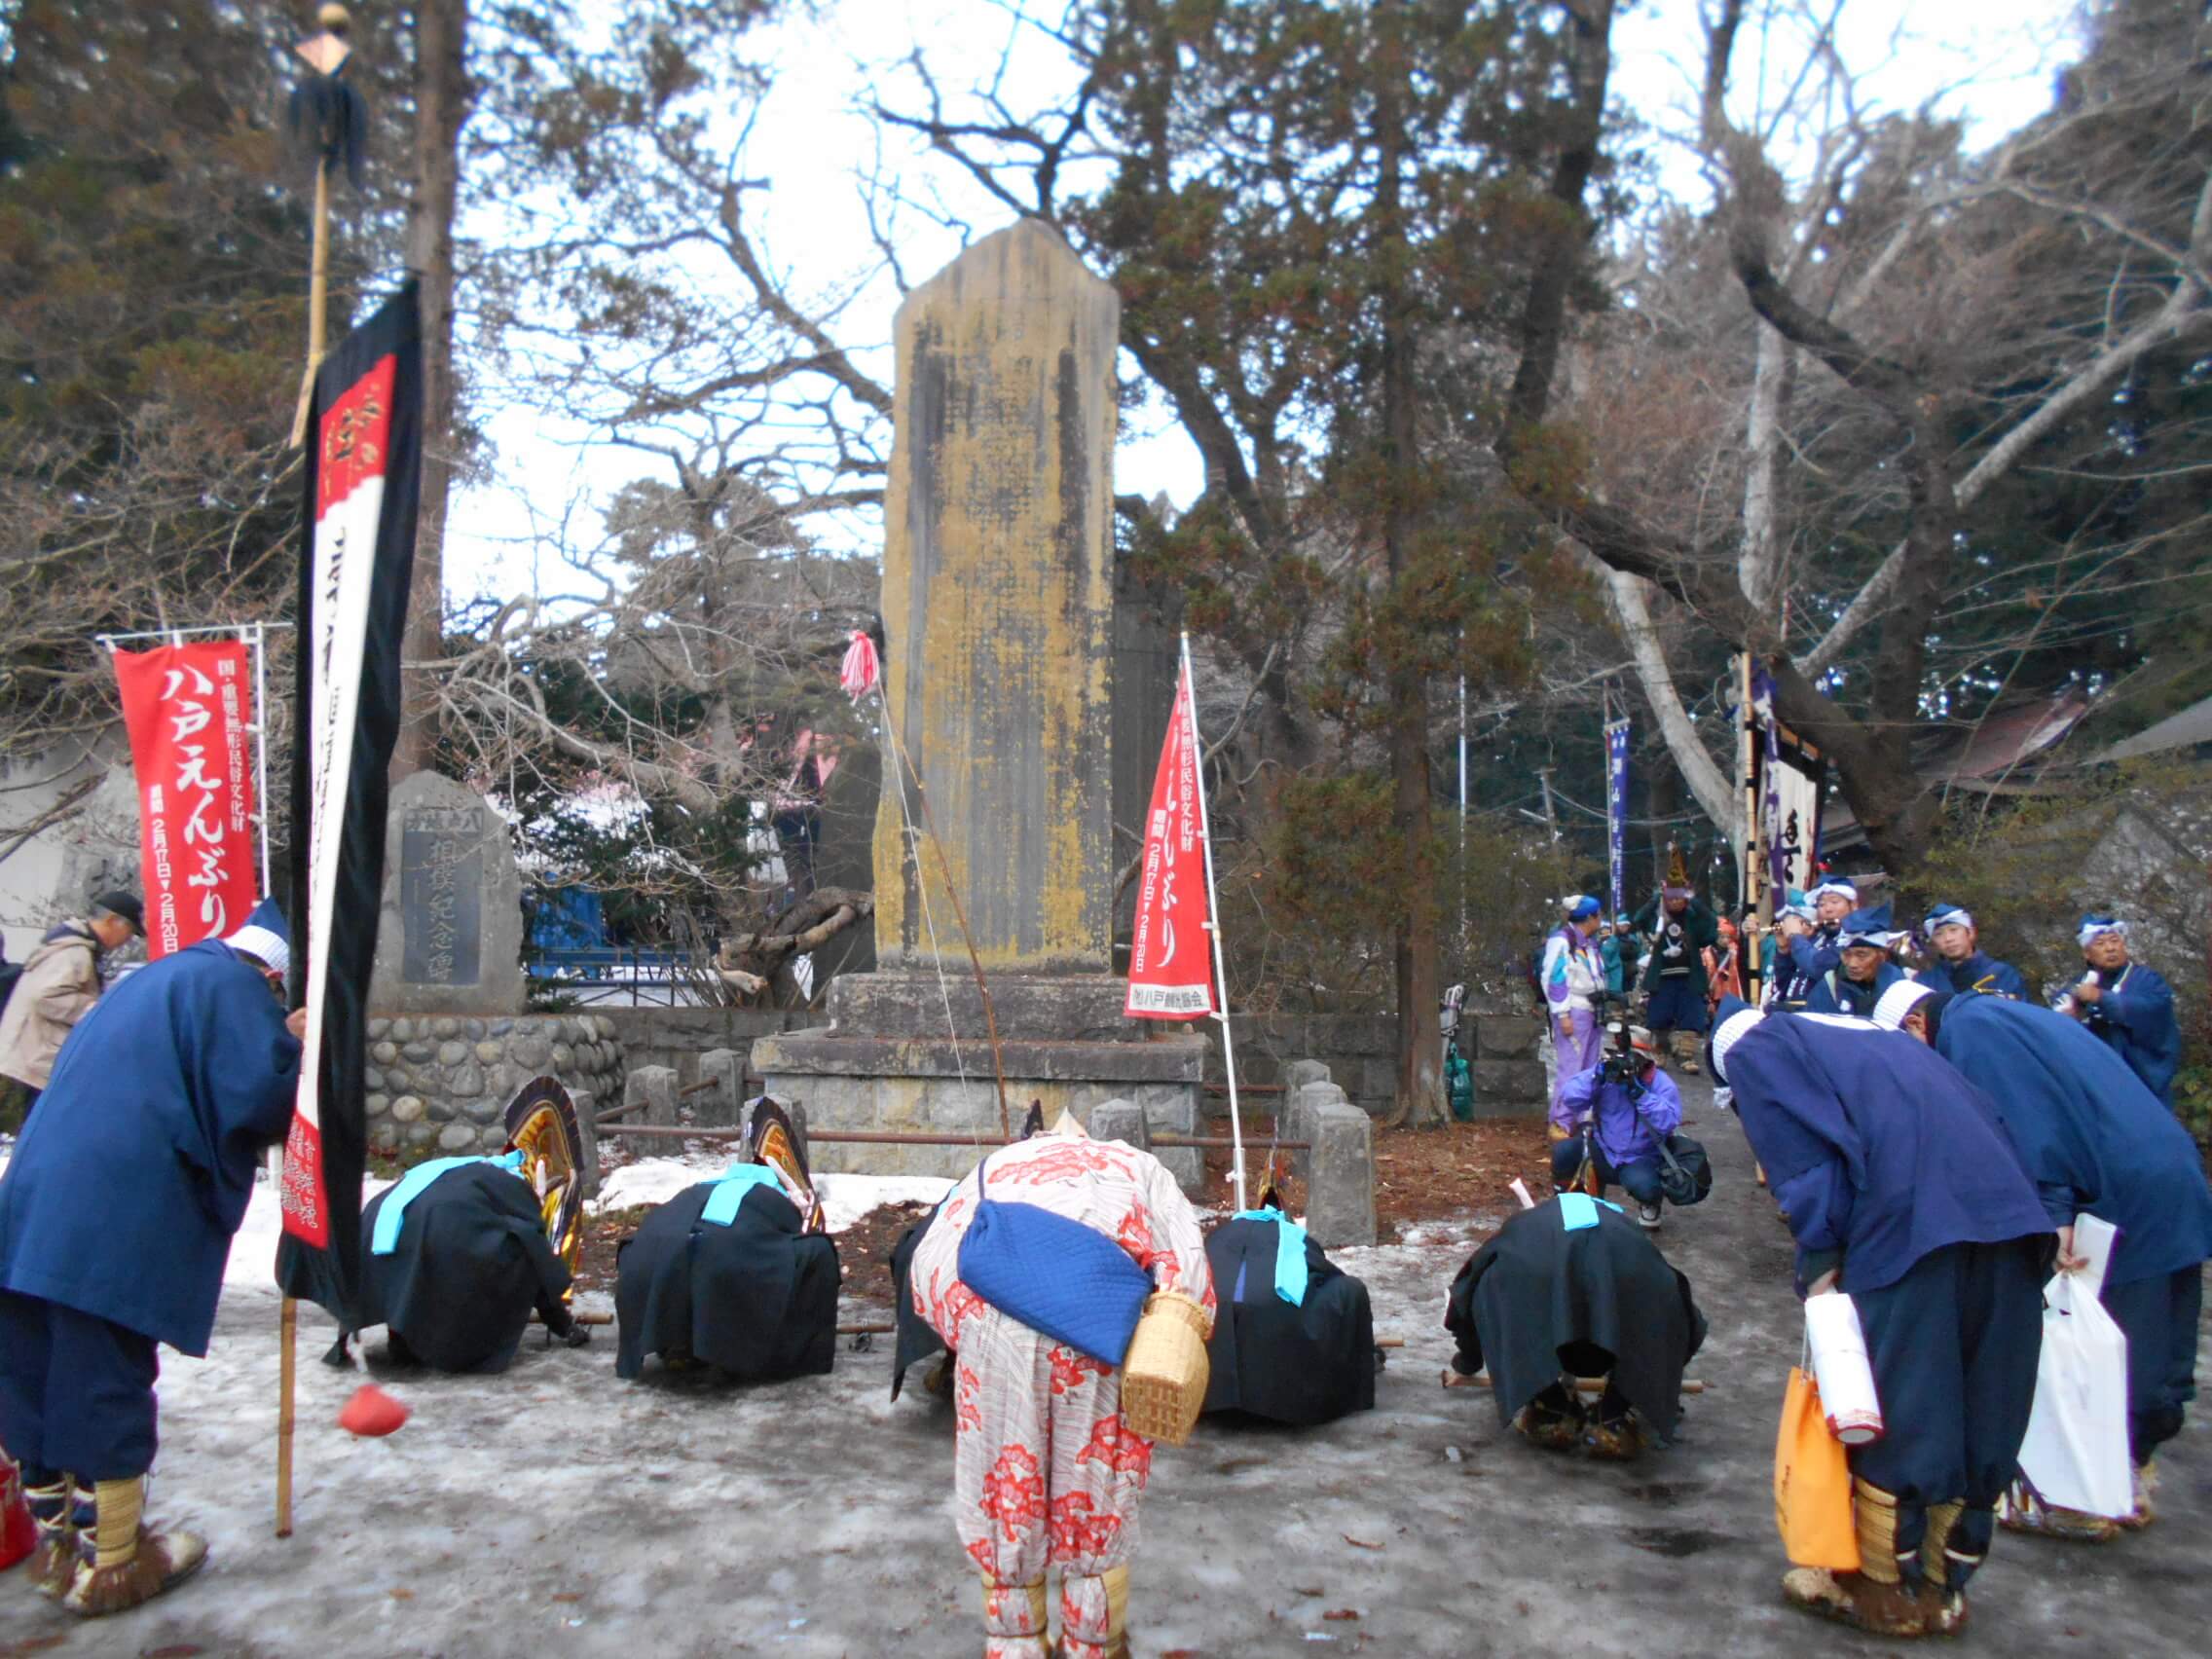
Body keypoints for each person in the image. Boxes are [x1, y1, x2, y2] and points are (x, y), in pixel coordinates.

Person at [1708, 999, 2050, 1638]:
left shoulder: (1755, 1048)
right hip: (2011, 1222)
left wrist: (1820, 1258)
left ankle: (1883, 1591)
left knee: (1903, 1410)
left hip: (1907, 1230)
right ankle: (1942, 1587)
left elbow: (1807, 1163)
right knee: (1981, 1408)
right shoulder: (1884, 1041)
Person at [0, 899, 301, 1615]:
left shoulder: (150, 979)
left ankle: (59, 1549)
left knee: (34, 1369)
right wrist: (293, 1048)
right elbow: (257, 1097)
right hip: (114, 1206)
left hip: (34, 1198)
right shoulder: (231, 985)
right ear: (272, 975)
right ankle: (113, 1562)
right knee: (102, 1372)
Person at [1876, 982, 2212, 1534]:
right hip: (2168, 1172)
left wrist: (2054, 1214)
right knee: (2162, 1335)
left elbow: (2030, 1119)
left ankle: (2092, 1491)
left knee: (2109, 1340)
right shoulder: (2014, 1016)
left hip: (2118, 1189)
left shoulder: (1971, 1030)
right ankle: (2133, 1469)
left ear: (1916, 1025)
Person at [909, 1114, 1212, 1659]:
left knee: (1007, 1493)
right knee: (1095, 1496)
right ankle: (1094, 1646)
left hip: (993, 1328)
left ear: (1037, 1141)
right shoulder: (1137, 1166)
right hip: (1099, 1337)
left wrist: (968, 1334)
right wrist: (1169, 1327)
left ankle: (1016, 1644)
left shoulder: (994, 1167)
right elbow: (1184, 1268)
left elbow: (930, 1264)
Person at [1446, 1191, 1705, 1459]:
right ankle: (1612, 1417)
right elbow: (1680, 1313)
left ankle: (1551, 1408)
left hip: (1539, 1310)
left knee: (1502, 1287)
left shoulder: (1522, 1227)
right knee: (1650, 1303)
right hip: (1618, 1306)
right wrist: (1660, 1382)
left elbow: (1467, 1289)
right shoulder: (1627, 1231)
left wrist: (1468, 1359)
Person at [614, 1144, 840, 1383]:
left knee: (693, 1252)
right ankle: (781, 1354)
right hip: (725, 1260)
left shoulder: (696, 1190)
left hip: (645, 1259)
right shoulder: (772, 1196)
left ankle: (676, 1341)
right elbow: (788, 1234)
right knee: (818, 1249)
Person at [351, 1155, 588, 1373]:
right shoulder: (511, 1186)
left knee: (410, 1264)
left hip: (375, 1227)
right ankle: (435, 1343)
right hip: (441, 1227)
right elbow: (534, 1248)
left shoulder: (449, 1169)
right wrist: (562, 1322)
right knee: (524, 1244)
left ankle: (401, 1335)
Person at [1200, 1193, 1375, 1426]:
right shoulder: (1293, 1236)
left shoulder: (1219, 1234)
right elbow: (1328, 1273)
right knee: (1351, 1289)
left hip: (1213, 1319)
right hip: (1276, 1328)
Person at [0, 891, 143, 1127]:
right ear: (112, 921)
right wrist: (95, 1008)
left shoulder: (75, 944)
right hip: (36, 1058)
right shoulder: (74, 951)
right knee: (39, 1128)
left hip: (35, 1054)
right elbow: (45, 996)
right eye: (130, 931)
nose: (127, 940)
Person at [1548, 1027, 1683, 1231]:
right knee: (1564, 1152)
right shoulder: (1605, 1076)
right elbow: (1571, 1098)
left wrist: (1640, 1094)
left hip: (1641, 1156)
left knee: (1645, 1188)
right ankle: (1568, 1202)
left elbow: (1668, 1122)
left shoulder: (1660, 1083)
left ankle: (1650, 1203)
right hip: (1603, 1150)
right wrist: (1596, 1076)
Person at [2052, 915, 2180, 1108]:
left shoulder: (2147, 980)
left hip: (2142, 1079)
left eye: (2114, 941)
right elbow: (2055, 1024)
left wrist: (2102, 998)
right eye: (2100, 944)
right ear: (2087, 954)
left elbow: (2151, 1010)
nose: (2110, 948)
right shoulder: (2077, 987)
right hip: (2099, 1083)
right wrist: (2068, 1018)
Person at [1632, 883, 1717, 1071]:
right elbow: (1639, 919)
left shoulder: (1693, 920)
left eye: (1679, 897)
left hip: (1690, 978)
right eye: (1671, 898)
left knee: (1691, 1018)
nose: (1675, 902)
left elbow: (1711, 923)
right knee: (1659, 1019)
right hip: (1662, 979)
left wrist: (1694, 899)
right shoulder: (1657, 920)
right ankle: (1661, 1052)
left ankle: (1686, 1056)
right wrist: (1657, 897)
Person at [1540, 896, 1606, 1117]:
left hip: (1592, 1011)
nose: (1601, 919)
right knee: (1571, 1069)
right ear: (1590, 918)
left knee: (1588, 1071)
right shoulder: (1562, 941)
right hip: (1573, 1011)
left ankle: (1580, 1122)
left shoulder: (1590, 943)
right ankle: (1561, 1122)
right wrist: (1562, 1014)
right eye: (1598, 915)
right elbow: (1554, 978)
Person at [1803, 905, 1906, 1018]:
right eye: (1846, 954)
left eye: (1861, 955)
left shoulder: (1898, 986)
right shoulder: (1830, 986)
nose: (1852, 964)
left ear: (1882, 955)